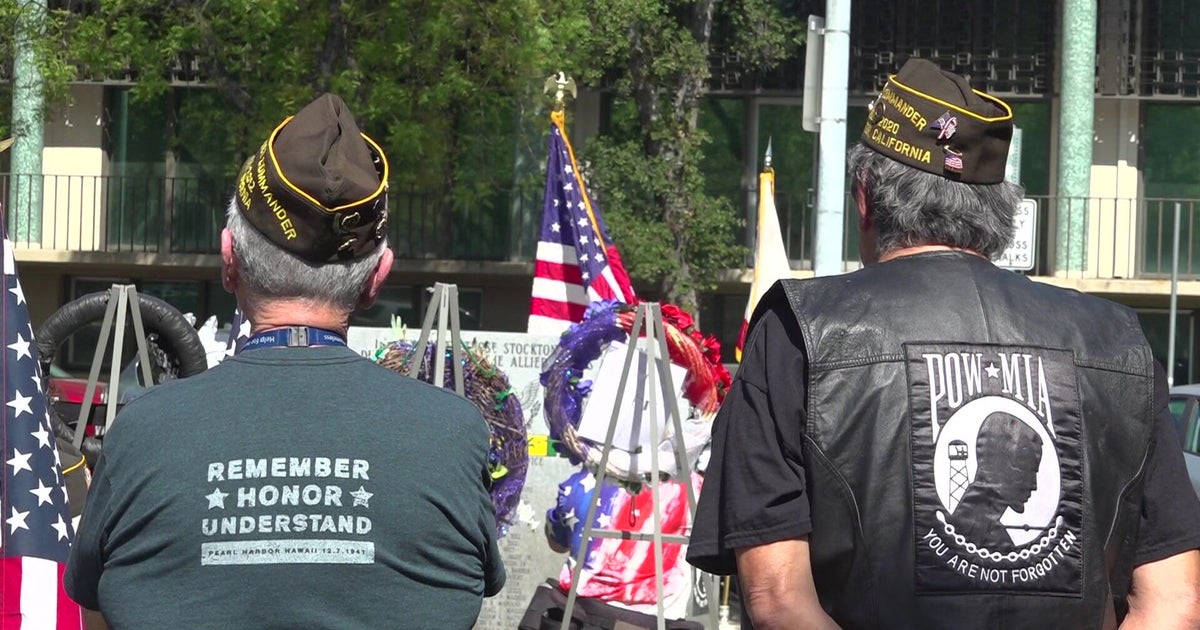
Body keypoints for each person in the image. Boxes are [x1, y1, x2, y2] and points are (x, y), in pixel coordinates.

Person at [687, 58, 1200, 630]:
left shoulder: (797, 331)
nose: (1035, 480)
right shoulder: (1118, 343)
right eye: (1027, 463)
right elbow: (1173, 602)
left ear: (864, 199)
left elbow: (779, 599)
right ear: (1003, 213)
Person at [64, 93, 505, 629]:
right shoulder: (450, 436)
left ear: (229, 260)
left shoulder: (140, 434)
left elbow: (94, 612)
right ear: (376, 279)